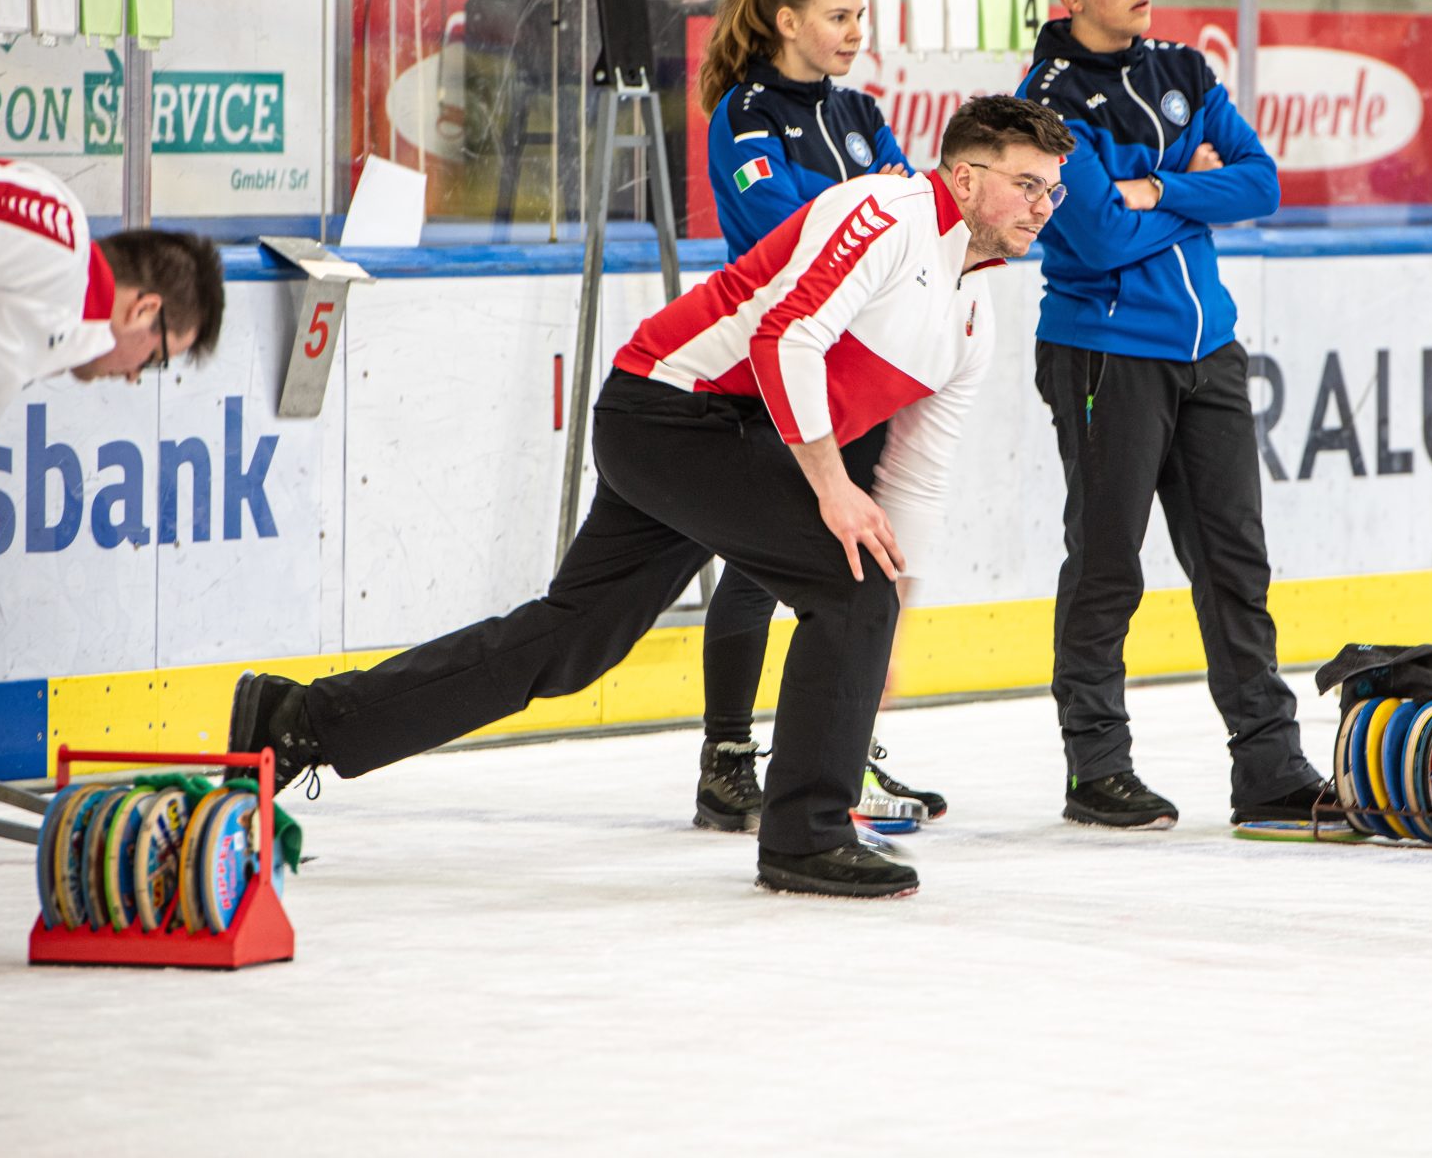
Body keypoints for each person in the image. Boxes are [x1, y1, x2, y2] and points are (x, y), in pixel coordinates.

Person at [227, 95, 1074, 899]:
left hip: (724, 432)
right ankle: (806, 835)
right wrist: (833, 493)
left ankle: (300, 719)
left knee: (575, 641)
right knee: (847, 587)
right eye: (1026, 182)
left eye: (1053, 188)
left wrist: (901, 608)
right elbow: (787, 336)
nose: (1043, 204)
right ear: (964, 177)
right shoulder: (887, 213)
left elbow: (921, 469)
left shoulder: (973, 311)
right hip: (672, 412)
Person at [1014, 0, 1327, 830]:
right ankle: (1095, 765)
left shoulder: (1186, 67)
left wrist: (1157, 186)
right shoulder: (1049, 101)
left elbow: (1263, 181)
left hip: (1208, 349)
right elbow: (1101, 233)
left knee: (1236, 561)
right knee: (1108, 562)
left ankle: (1268, 767)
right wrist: (1193, 189)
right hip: (1107, 351)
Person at [694, 0, 944, 836]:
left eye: (860, 16)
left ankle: (844, 749)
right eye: (839, 16)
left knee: (852, 554)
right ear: (787, 21)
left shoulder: (860, 111)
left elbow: (909, 216)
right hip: (779, 363)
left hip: (858, 366)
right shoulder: (747, 113)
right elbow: (783, 227)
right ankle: (726, 759)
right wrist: (862, 201)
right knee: (760, 565)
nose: (855, 32)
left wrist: (857, 205)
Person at [0, 153, 226, 953]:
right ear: (143, 307)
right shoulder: (59, 238)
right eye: (159, 354)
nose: (138, 376)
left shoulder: (39, 343)